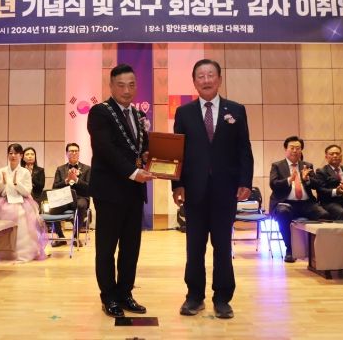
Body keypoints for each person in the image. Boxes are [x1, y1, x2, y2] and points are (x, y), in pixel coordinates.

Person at [172, 59, 253, 320]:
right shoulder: (184, 113)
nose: (206, 80)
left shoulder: (236, 110)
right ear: (194, 81)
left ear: (219, 78)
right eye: (201, 76)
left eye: (210, 75)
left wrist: (245, 182)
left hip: (225, 190)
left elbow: (244, 149)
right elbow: (177, 153)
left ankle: (222, 298)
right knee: (194, 247)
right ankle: (194, 296)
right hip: (194, 191)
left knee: (222, 246)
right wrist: (177, 184)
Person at [87, 63, 154, 318]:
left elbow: (142, 148)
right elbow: (106, 149)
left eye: (132, 85)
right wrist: (134, 172)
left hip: (134, 192)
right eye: (121, 85)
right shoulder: (99, 112)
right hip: (109, 192)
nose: (127, 90)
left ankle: (126, 293)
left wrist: (149, 156)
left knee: (130, 247)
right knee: (106, 248)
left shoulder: (138, 115)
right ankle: (109, 297)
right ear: (111, 86)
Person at [0, 143, 48, 262]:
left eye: (16, 153)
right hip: (2, 200)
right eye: (10, 153)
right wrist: (3, 183)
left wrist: (17, 183)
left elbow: (27, 192)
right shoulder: (1, 171)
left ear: (21, 156)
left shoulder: (25, 172)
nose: (13, 156)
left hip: (20, 201)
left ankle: (20, 252)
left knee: (21, 215)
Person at [269, 136, 330, 263]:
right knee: (283, 213)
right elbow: (273, 184)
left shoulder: (307, 165)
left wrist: (307, 179)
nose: (295, 151)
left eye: (298, 148)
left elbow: (317, 185)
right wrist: (289, 180)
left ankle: (317, 250)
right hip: (285, 202)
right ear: (286, 149)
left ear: (301, 150)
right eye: (292, 148)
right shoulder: (277, 166)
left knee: (324, 215)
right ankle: (290, 249)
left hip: (306, 203)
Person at [50, 142, 91, 247]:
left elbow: (89, 188)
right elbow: (55, 186)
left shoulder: (87, 169)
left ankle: (76, 237)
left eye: (76, 151)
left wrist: (76, 179)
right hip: (64, 198)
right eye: (71, 151)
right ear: (66, 153)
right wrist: (67, 180)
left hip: (81, 197)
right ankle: (60, 237)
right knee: (52, 206)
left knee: (81, 205)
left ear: (79, 153)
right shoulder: (60, 169)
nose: (74, 153)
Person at [314, 144, 343, 220]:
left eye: (337, 153)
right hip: (330, 202)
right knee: (341, 212)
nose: (335, 156)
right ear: (326, 157)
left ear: (341, 156)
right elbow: (321, 190)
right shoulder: (321, 171)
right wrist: (336, 191)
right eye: (332, 154)